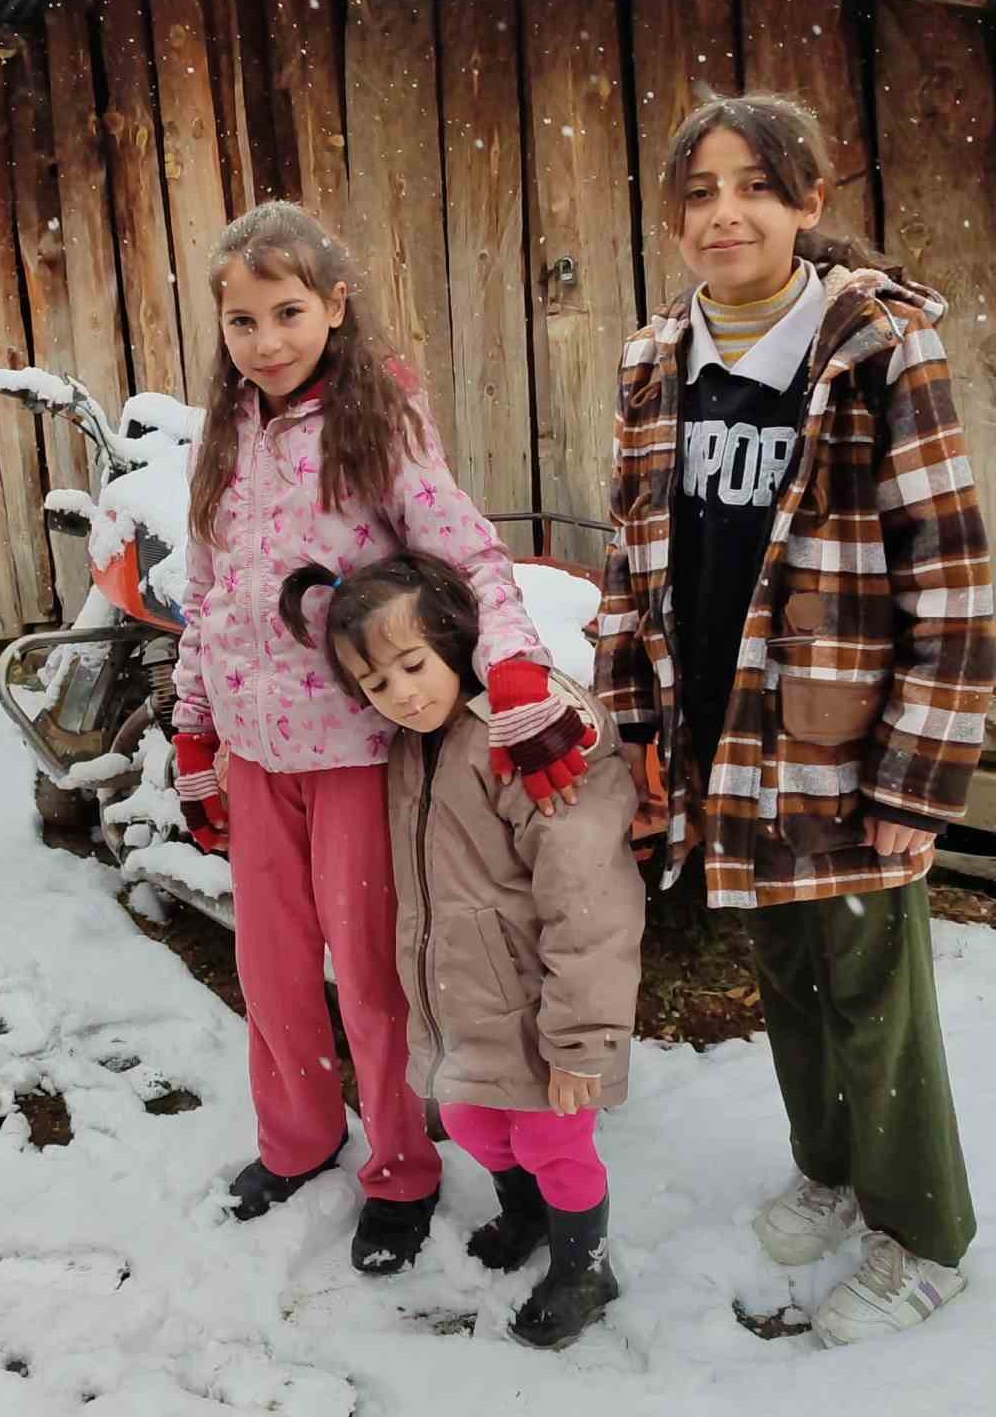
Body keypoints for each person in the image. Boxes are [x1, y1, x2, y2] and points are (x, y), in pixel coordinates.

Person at [595, 93, 994, 1346]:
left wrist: (914, 781)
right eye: (700, 191)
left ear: (807, 205)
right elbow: (630, 551)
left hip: (844, 743)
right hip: (719, 731)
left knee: (871, 984)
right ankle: (828, 1172)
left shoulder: (874, 349)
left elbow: (951, 572)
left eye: (754, 187)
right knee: (786, 973)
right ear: (673, 215)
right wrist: (633, 723)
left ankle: (923, 1231)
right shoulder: (657, 358)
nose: (725, 213)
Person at [173, 201, 593, 1275]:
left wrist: (512, 672)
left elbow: (470, 560)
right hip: (257, 759)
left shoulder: (378, 423)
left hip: (361, 757)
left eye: (288, 312)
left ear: (335, 305)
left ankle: (401, 1168)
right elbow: (209, 592)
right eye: (242, 321)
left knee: (371, 980)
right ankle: (299, 1141)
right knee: (269, 975)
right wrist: (194, 729)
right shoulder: (223, 435)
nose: (265, 341)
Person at [279, 553, 642, 1347]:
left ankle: (587, 1264)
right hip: (464, 998)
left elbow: (590, 898)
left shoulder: (524, 739)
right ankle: (528, 1216)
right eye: (378, 685)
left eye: (414, 665)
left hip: (540, 999)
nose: (402, 694)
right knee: (477, 1124)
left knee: (553, 1139)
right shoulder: (416, 743)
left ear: (455, 640)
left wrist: (582, 1038)